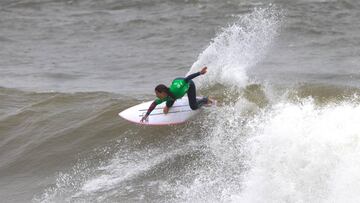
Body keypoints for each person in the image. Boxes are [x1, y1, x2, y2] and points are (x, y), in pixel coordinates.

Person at [140, 67, 210, 122]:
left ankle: (205, 100)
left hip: (188, 84)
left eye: (157, 93)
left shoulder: (176, 90)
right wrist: (146, 115)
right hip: (176, 83)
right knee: (170, 101)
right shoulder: (164, 96)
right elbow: (154, 104)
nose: (156, 95)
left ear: (163, 93)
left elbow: (187, 79)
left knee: (193, 106)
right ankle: (168, 105)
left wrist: (200, 73)